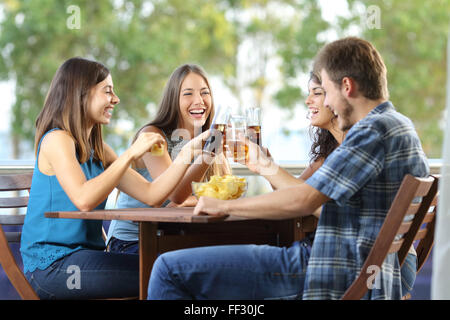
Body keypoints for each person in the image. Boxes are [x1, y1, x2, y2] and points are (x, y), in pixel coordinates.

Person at [147, 37, 429, 300]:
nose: (326, 102)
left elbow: (305, 199)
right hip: (358, 267)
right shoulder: (397, 125)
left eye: (325, 92)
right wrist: (263, 167)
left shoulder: (372, 132)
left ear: (347, 87)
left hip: (329, 268)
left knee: (167, 270)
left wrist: (225, 207)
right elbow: (316, 198)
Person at [20, 57, 209, 299]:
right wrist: (131, 154)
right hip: (55, 267)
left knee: (180, 269)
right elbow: (84, 199)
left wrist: (187, 153)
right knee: (173, 273)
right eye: (107, 91)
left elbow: (152, 195)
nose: (116, 99)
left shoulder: (100, 150)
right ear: (80, 94)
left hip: (88, 257)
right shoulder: (57, 139)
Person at [106, 64, 231, 254]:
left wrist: (192, 200)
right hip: (132, 242)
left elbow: (222, 193)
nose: (199, 101)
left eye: (205, 93)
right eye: (188, 94)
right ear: (174, 99)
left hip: (175, 237)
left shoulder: (209, 138)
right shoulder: (153, 137)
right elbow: (173, 195)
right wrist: (207, 155)